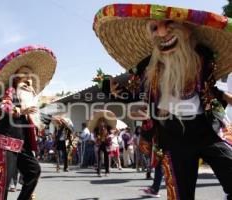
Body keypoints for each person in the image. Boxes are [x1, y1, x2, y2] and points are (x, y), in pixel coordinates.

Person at [93, 4, 232, 199]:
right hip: (173, 134)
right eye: (155, 28)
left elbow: (209, 89)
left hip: (207, 129)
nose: (162, 33)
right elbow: (132, 92)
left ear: (186, 29)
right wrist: (110, 88)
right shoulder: (147, 67)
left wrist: (226, 98)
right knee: (181, 194)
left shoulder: (203, 57)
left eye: (169, 24)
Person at [0, 45, 56, 200]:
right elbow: (5, 107)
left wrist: (52, 118)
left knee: (34, 171)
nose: (28, 79)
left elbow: (35, 118)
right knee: (3, 181)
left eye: (30, 76)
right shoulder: (10, 91)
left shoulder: (30, 99)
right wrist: (20, 111)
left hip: (21, 145)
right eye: (24, 75)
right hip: (6, 143)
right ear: (16, 77)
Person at [89, 110, 117, 177]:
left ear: (104, 121)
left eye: (103, 121)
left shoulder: (108, 128)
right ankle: (99, 172)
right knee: (99, 158)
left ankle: (107, 171)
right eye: (100, 121)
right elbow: (94, 136)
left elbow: (112, 134)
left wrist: (109, 136)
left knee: (106, 157)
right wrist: (97, 139)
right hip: (99, 144)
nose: (102, 122)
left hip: (106, 144)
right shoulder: (96, 129)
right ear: (98, 122)